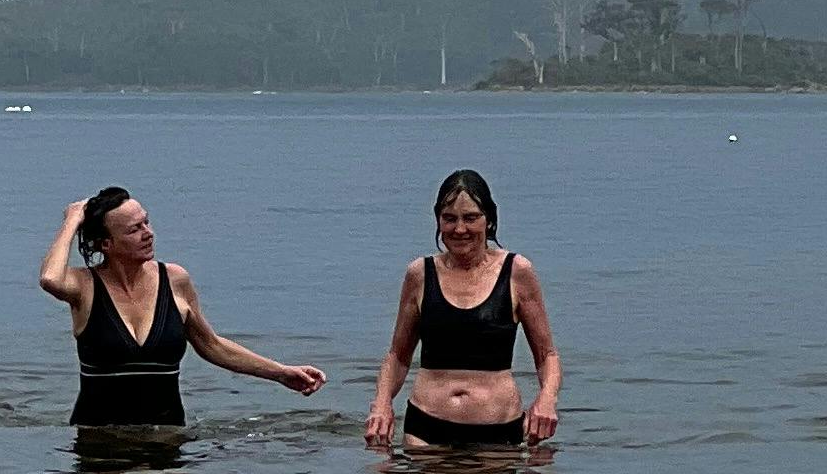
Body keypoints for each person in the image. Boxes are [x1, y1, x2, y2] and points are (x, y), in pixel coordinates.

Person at [37, 188, 325, 431]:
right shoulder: (85, 286)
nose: (148, 234)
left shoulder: (174, 280)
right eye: (135, 229)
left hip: (167, 436)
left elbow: (211, 345)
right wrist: (73, 219)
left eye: (147, 223)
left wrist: (281, 372)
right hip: (99, 440)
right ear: (107, 244)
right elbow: (50, 278)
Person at [364, 168, 561, 452]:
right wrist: (382, 405)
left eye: (471, 218)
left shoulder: (517, 272)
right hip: (425, 428)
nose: (460, 229)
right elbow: (398, 356)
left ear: (489, 221)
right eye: (449, 219)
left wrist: (547, 399)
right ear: (438, 221)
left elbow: (547, 357)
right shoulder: (420, 274)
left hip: (498, 432)